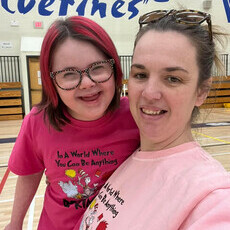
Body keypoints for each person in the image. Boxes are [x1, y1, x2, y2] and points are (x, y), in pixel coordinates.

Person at [79, 9, 230, 229]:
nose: (149, 93)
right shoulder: (129, 159)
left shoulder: (212, 197)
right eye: (141, 75)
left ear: (201, 92)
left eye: (172, 78)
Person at [5, 16, 139, 230]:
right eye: (68, 74)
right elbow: (30, 173)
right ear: (51, 81)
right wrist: (15, 222)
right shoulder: (38, 121)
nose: (87, 83)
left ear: (114, 68)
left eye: (97, 68)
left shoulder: (135, 115)